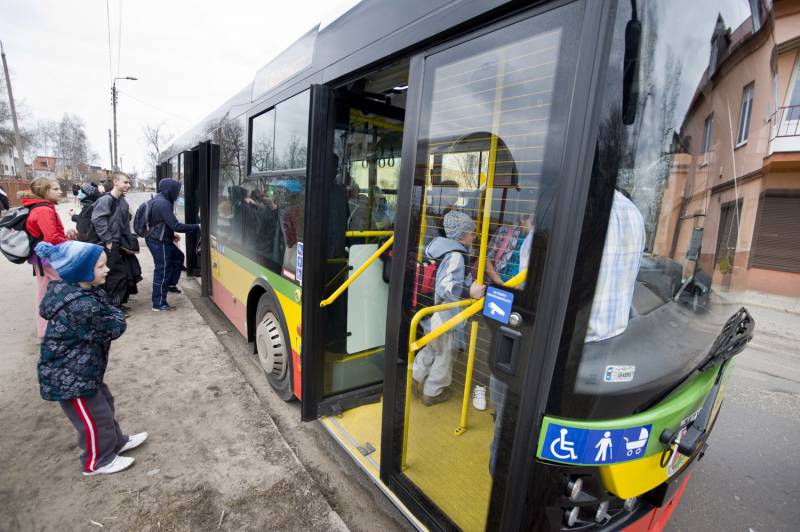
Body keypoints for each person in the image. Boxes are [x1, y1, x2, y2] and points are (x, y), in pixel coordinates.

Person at [487, 189, 645, 475]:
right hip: (609, 344)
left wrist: (487, 296)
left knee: (512, 419)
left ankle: (503, 473)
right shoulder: (632, 213)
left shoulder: (563, 211)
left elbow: (528, 294)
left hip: (557, 344)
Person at [34, 240, 147, 476]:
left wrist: (110, 311)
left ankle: (116, 442)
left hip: (83, 370)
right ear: (81, 272)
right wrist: (115, 313)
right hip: (70, 378)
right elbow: (113, 327)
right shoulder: (82, 305)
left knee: (104, 405)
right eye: (100, 266)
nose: (107, 270)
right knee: (95, 419)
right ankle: (98, 462)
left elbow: (107, 313)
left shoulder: (82, 291)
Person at [412, 210, 485, 406]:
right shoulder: (456, 256)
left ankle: (415, 378)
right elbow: (446, 286)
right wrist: (470, 291)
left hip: (430, 311)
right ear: (462, 235)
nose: (474, 236)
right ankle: (433, 392)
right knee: (446, 354)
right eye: (471, 233)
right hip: (446, 315)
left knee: (431, 348)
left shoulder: (438, 247)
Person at [20, 177, 78, 337]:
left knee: (44, 291)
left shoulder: (40, 207)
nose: (60, 191)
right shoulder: (43, 209)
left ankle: (46, 329)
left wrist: (65, 236)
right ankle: (53, 329)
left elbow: (50, 234)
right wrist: (71, 243)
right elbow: (51, 237)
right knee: (64, 288)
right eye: (55, 189)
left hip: (41, 256)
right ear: (43, 191)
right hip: (48, 256)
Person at [144, 178, 199, 311]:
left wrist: (171, 235)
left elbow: (160, 222)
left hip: (159, 237)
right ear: (170, 189)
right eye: (177, 190)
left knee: (178, 257)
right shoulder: (163, 203)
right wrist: (197, 226)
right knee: (162, 270)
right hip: (158, 241)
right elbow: (176, 225)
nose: (178, 193)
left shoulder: (160, 199)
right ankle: (158, 303)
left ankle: (170, 284)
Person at [91, 173, 137, 310]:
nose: (128, 185)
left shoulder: (123, 201)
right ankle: (113, 306)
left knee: (123, 273)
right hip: (110, 243)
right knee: (115, 275)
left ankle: (117, 303)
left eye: (129, 183)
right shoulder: (106, 200)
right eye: (125, 182)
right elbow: (98, 220)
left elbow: (125, 223)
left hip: (119, 243)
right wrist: (108, 240)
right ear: (115, 182)